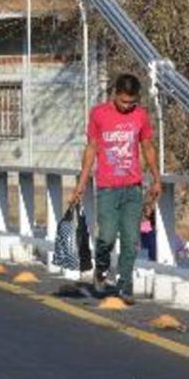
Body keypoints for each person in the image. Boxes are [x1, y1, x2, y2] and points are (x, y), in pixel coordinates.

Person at [68, 72, 161, 303]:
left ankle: (124, 286)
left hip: (133, 188)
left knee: (131, 240)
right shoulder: (99, 114)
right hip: (107, 188)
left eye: (132, 102)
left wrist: (157, 178)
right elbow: (91, 148)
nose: (127, 106)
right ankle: (101, 267)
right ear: (115, 94)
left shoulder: (140, 115)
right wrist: (81, 183)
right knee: (107, 237)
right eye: (123, 101)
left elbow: (147, 146)